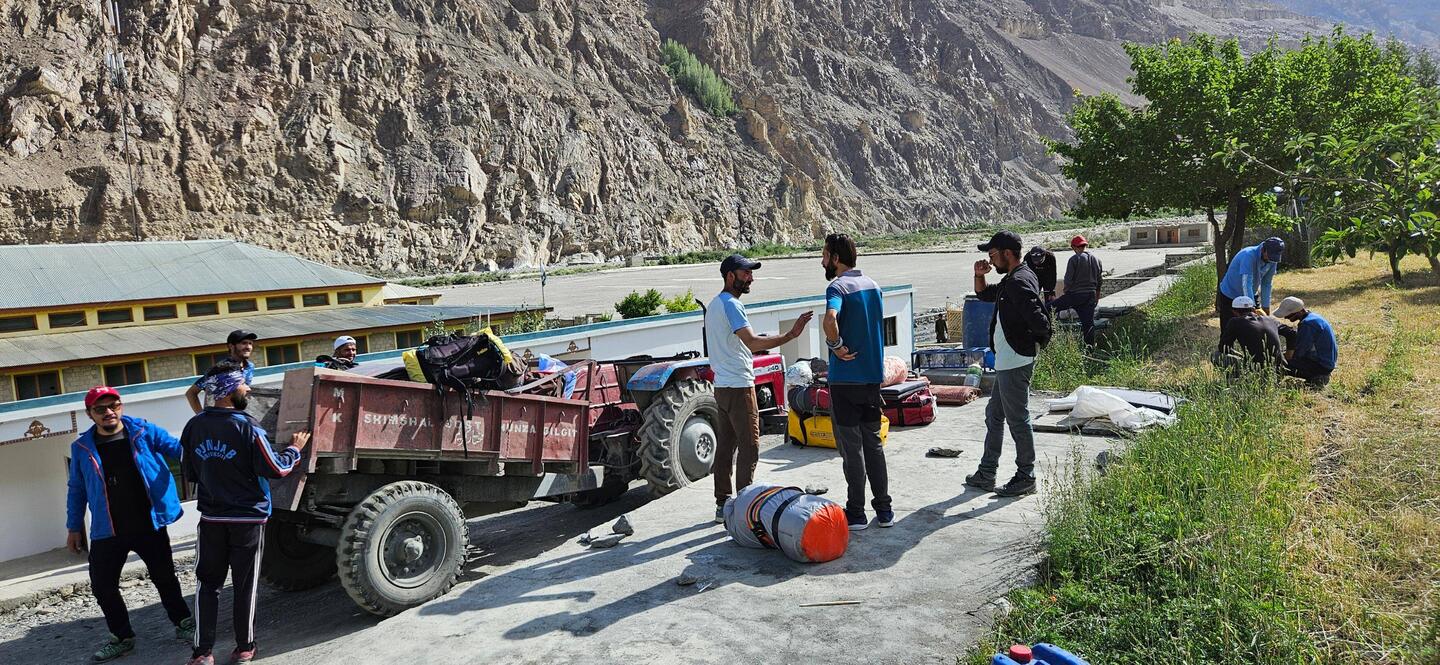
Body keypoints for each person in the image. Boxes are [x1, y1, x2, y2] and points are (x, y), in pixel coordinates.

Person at [181, 363, 310, 665]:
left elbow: (189, 473)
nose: (248, 389)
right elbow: (277, 469)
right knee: (244, 585)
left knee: (207, 585)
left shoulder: (194, 426)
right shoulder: (248, 426)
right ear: (228, 391)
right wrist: (294, 449)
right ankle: (244, 648)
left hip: (211, 518)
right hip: (247, 520)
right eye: (242, 385)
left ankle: (202, 654)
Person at [66, 386, 194, 662]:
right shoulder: (81, 448)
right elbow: (76, 489)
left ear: (121, 406)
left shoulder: (144, 431)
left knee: (165, 578)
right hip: (108, 529)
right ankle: (122, 637)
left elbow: (180, 451)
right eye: (101, 409)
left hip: (149, 523)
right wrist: (73, 526)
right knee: (102, 585)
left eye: (114, 405)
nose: (109, 412)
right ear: (90, 414)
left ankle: (184, 623)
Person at [706, 254, 813, 523]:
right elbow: (752, 343)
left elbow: (742, 342)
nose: (751, 278)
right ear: (730, 276)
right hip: (740, 385)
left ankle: (722, 504)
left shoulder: (714, 305)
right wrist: (791, 335)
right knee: (750, 446)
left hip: (722, 386)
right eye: (745, 273)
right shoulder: (732, 305)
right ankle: (743, 505)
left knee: (725, 445)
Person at [967, 230, 1052, 498]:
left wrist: (1035, 343)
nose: (990, 260)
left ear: (1006, 253)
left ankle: (1026, 476)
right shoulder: (1012, 279)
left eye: (992, 255)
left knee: (1018, 419)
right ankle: (987, 472)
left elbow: (1040, 320)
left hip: (1015, 360)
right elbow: (984, 295)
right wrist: (979, 275)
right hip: (1008, 360)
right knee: (994, 415)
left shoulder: (1018, 281)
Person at [820, 233, 892, 531]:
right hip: (872, 379)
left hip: (846, 381)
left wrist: (836, 346)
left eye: (824, 255)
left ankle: (856, 513)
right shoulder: (873, 286)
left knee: (852, 449)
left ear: (836, 259)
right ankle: (884, 510)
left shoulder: (836, 286)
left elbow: (830, 318)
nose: (822, 260)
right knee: (873, 444)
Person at [1217, 237, 1285, 331]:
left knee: (1254, 328)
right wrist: (1251, 307)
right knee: (1228, 329)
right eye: (1269, 256)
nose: (1270, 259)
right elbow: (1246, 282)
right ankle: (1226, 346)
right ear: (1263, 249)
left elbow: (1266, 283)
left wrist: (1266, 307)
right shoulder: (1248, 255)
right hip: (1230, 294)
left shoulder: (1272, 260)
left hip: (1251, 293)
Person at [1047, 235, 1104, 344]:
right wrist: (1097, 296)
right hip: (1090, 296)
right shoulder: (1097, 260)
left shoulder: (1074, 259)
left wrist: (1066, 292)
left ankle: (1044, 336)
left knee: (1049, 308)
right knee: (1088, 325)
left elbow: (1068, 279)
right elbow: (1099, 281)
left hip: (1075, 295)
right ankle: (1090, 350)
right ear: (1085, 245)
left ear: (1074, 247)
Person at [186, 330, 258, 414]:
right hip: (219, 416)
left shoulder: (250, 367)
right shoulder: (221, 369)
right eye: (244, 343)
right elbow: (191, 393)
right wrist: (201, 415)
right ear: (231, 346)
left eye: (250, 343)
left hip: (238, 416)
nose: (248, 347)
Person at [1272, 296, 1337, 387]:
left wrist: (1283, 358)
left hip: (1320, 367)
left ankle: (1274, 385)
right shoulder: (1313, 317)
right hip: (1326, 363)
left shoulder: (1307, 324)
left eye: (1288, 315)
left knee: (1276, 363)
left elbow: (1299, 352)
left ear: (1298, 312)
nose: (1286, 317)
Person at [1211, 296, 1283, 377]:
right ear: (1253, 309)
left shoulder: (1234, 322)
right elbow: (1292, 332)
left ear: (1234, 312)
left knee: (1216, 355)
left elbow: (1224, 348)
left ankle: (1236, 378)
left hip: (1254, 368)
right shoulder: (1270, 320)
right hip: (1276, 367)